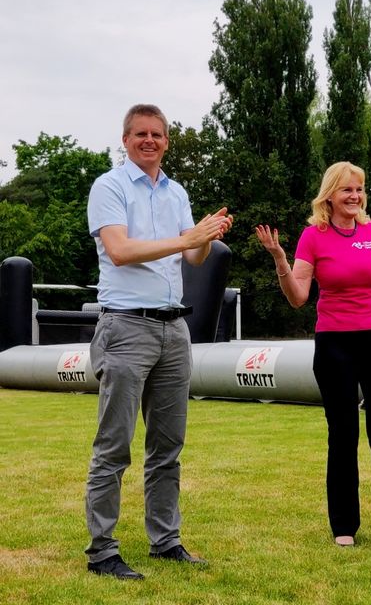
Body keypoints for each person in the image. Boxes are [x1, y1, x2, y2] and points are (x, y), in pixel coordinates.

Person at [256, 161, 371, 555]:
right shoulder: (313, 237)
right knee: (343, 436)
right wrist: (280, 261)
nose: (354, 196)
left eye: (359, 190)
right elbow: (299, 297)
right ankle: (344, 525)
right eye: (346, 190)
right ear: (330, 196)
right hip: (334, 344)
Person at [85, 103, 232, 580]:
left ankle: (165, 541)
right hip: (126, 328)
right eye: (140, 134)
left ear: (167, 141)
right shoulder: (108, 186)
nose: (149, 140)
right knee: (115, 446)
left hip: (174, 330)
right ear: (125, 140)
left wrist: (206, 236)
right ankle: (102, 550)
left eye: (157, 134)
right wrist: (186, 236)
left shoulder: (176, 193)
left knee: (167, 447)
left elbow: (192, 257)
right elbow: (121, 251)